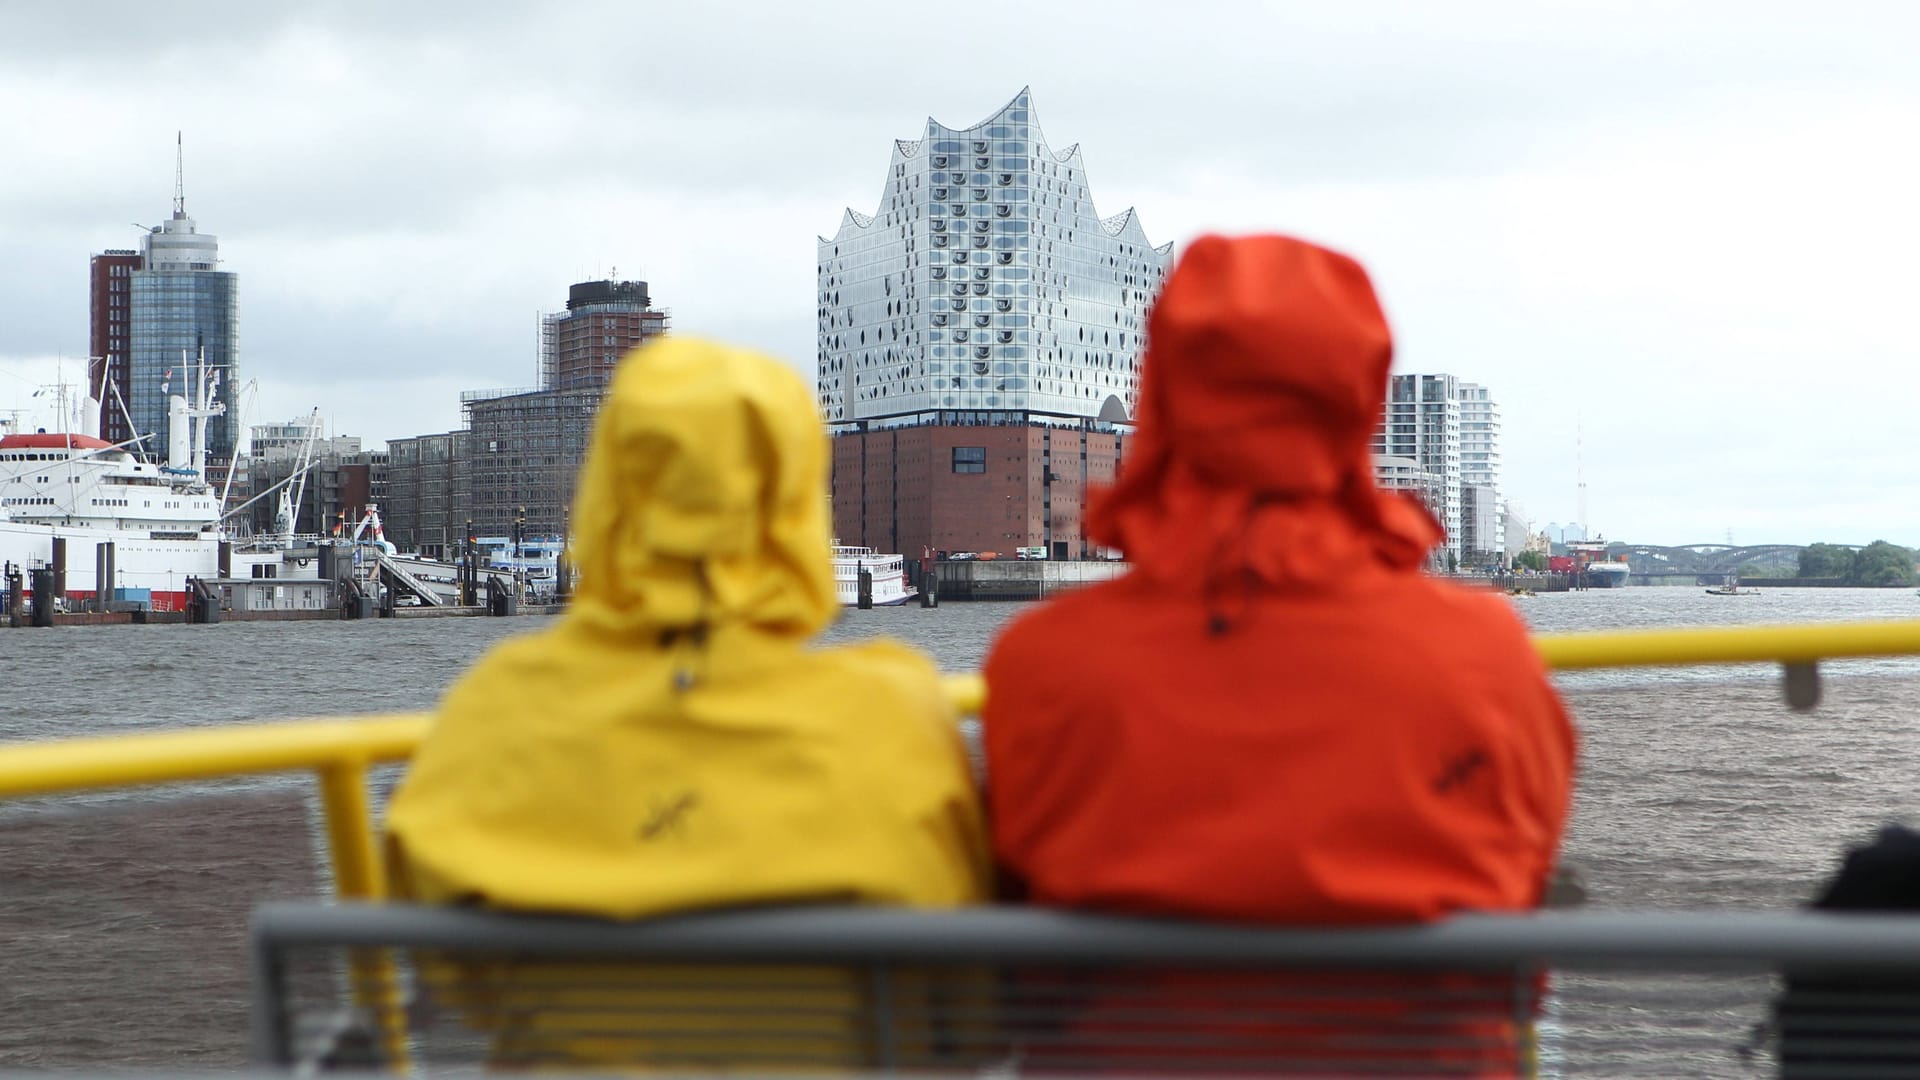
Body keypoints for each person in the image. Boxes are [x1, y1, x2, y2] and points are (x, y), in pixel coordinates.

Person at [981, 234, 1577, 1072]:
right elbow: (1519, 894)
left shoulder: (1045, 663)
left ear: (1166, 393)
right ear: (1359, 397)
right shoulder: (1484, 656)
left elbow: (1014, 927)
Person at [383, 337, 991, 1067]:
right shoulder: (895, 720)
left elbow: (457, 980)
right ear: (796, 502)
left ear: (608, 489)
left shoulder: (495, 711)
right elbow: (966, 1005)